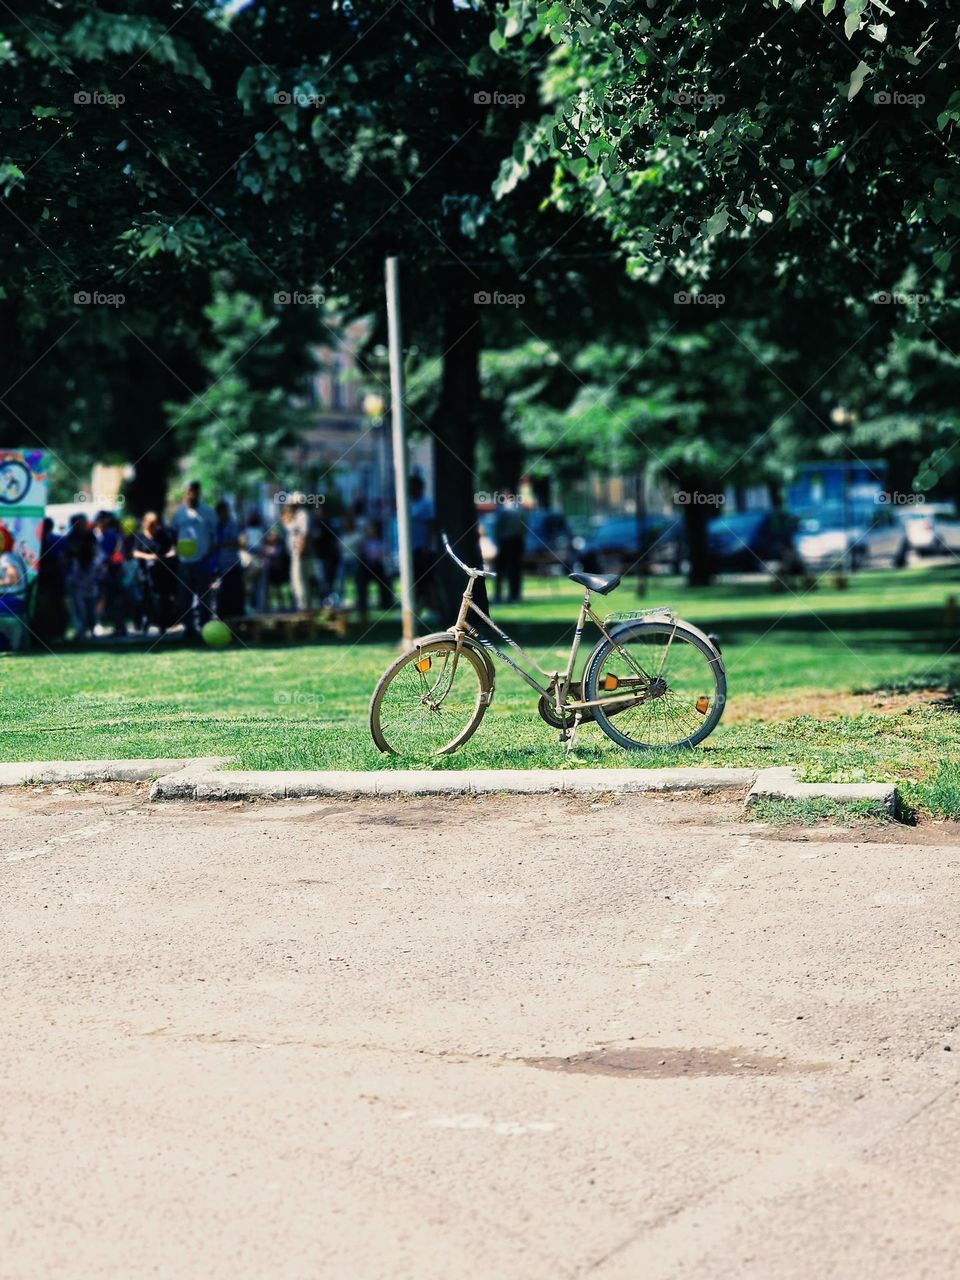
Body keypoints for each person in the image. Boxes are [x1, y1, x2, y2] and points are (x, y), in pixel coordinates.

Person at [170, 480, 217, 638]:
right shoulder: (179, 514)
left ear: (198, 493)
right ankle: (189, 628)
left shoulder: (208, 512)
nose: (191, 495)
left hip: (202, 560)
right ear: (185, 493)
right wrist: (176, 551)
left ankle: (205, 627)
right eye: (188, 492)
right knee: (184, 596)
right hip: (184, 561)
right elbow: (174, 534)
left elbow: (214, 536)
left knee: (204, 596)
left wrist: (209, 554)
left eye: (194, 492)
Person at [132, 511, 177, 632]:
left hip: (161, 572)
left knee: (161, 598)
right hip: (145, 573)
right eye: (151, 525)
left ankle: (162, 624)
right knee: (145, 598)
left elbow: (171, 549)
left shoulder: (162, 536)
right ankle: (145, 622)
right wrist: (149, 557)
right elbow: (135, 552)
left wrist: (166, 556)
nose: (154, 527)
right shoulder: (140, 536)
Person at [94, 510, 128, 635]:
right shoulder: (111, 534)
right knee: (109, 599)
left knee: (113, 599)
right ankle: (116, 626)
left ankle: (119, 626)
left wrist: (108, 562)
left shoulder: (111, 535)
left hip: (112, 571)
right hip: (107, 571)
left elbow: (115, 554)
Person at [356, 518, 392, 621]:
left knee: (385, 581)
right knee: (361, 583)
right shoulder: (364, 542)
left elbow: (384, 555)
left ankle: (385, 604)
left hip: (378, 567)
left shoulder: (381, 542)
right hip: (366, 567)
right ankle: (362, 608)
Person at [213, 499, 244, 619]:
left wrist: (221, 544)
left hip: (232, 563)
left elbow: (237, 542)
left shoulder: (232, 524)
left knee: (234, 593)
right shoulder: (215, 525)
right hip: (220, 566)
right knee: (223, 595)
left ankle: (237, 617)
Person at [408, 474, 435, 606]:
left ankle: (431, 607)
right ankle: (415, 607)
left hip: (422, 549)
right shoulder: (408, 504)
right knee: (413, 580)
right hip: (410, 548)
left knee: (426, 581)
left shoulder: (426, 504)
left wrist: (426, 545)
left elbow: (431, 526)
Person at [494, 497, 525, 604]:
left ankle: (498, 595)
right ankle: (514, 595)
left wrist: (498, 539)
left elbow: (498, 528)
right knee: (515, 570)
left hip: (505, 543)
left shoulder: (503, 511)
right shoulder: (520, 511)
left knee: (500, 570)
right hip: (517, 542)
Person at [281, 501, 311, 610]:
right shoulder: (295, 515)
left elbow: (303, 534)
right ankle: (300, 603)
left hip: (298, 552)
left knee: (298, 579)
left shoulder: (302, 514)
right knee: (295, 579)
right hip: (293, 552)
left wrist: (300, 549)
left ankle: (302, 605)